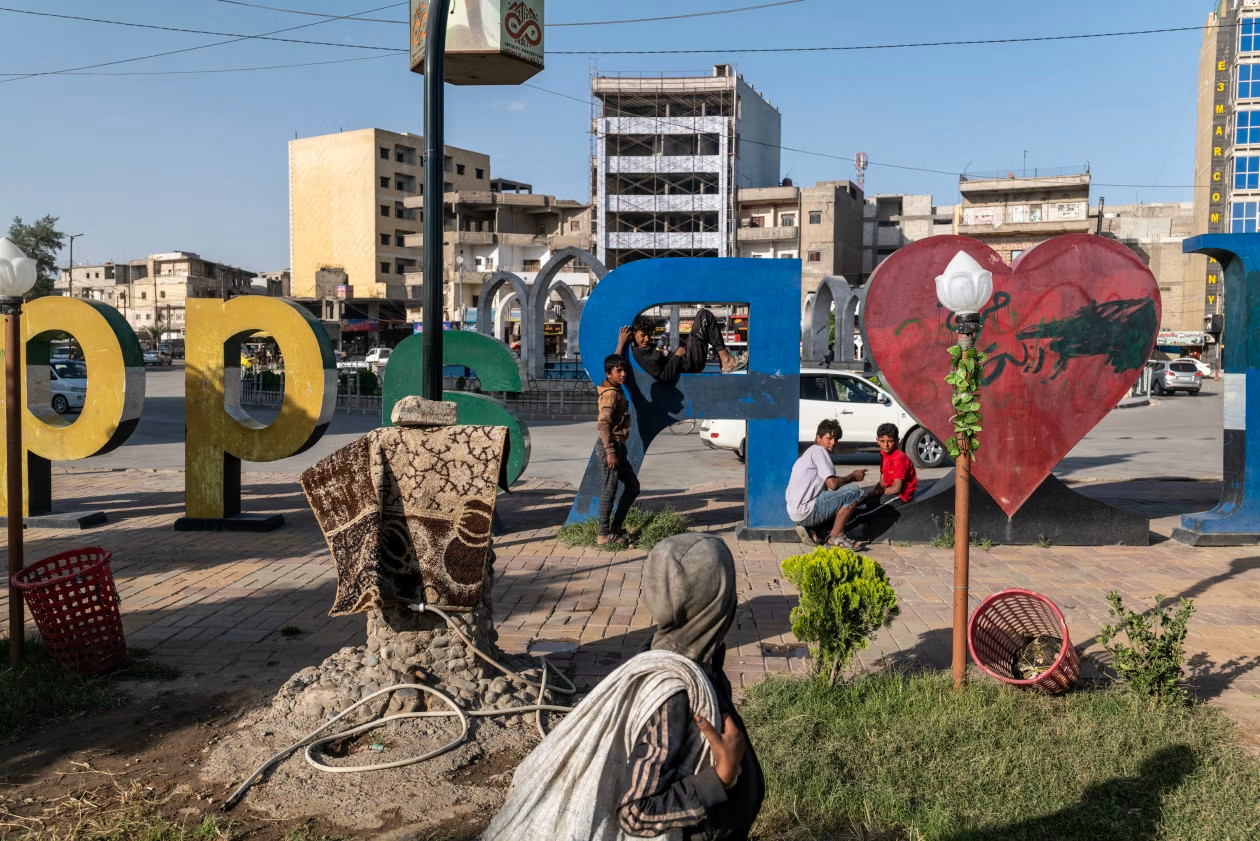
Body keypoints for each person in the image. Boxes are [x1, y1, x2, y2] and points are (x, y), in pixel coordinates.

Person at [480, 533, 764, 841]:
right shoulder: (673, 692)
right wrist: (721, 777)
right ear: (719, 604)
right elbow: (637, 813)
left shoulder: (694, 665)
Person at [786, 419, 867, 549]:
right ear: (818, 438)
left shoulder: (808, 454)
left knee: (838, 499)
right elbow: (833, 484)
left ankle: (818, 531)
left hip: (796, 513)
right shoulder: (819, 451)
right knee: (853, 491)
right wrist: (852, 476)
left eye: (836, 439)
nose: (833, 443)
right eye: (829, 438)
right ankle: (837, 536)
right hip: (807, 511)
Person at [616, 310, 745, 382]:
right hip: (688, 364)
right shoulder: (639, 354)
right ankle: (726, 361)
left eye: (649, 334)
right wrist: (677, 355)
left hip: (686, 359)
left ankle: (725, 361)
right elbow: (663, 376)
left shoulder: (646, 347)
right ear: (633, 335)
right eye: (643, 335)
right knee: (704, 317)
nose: (647, 339)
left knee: (701, 324)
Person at [847, 423, 918, 543]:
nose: (886, 445)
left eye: (890, 441)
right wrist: (874, 493)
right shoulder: (884, 455)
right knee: (858, 503)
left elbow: (897, 488)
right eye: (882, 441)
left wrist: (879, 492)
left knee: (862, 514)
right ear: (877, 441)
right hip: (888, 491)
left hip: (900, 495)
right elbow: (883, 480)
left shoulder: (899, 458)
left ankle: (839, 534)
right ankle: (858, 531)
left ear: (897, 441)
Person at [596, 354, 639, 546]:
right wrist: (610, 452)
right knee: (609, 490)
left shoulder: (613, 387)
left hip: (618, 446)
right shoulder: (611, 394)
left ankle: (616, 528)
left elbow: (613, 360)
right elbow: (603, 424)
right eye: (618, 371)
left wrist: (620, 345)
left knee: (632, 486)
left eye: (624, 370)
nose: (623, 374)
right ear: (608, 374)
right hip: (611, 447)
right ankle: (603, 535)